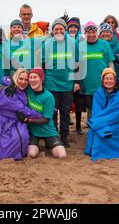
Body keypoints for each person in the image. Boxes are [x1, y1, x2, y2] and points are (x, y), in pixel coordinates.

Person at [0, 69, 44, 161]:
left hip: (15, 121)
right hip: (3, 123)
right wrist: (41, 115)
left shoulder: (19, 88)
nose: (23, 82)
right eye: (21, 79)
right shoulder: (8, 91)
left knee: (22, 137)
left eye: (26, 80)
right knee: (6, 151)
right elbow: (23, 109)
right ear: (15, 78)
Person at [42, 18, 79, 147]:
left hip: (67, 84)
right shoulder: (47, 44)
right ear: (52, 31)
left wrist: (77, 81)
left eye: (61, 29)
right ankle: (53, 137)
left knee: (65, 112)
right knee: (52, 112)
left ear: (65, 30)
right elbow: (41, 64)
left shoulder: (72, 43)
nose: (58, 31)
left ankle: (64, 137)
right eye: (56, 29)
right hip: (51, 83)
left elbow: (78, 63)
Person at [84, 68, 119, 161]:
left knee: (103, 133)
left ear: (115, 80)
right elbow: (96, 112)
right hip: (100, 122)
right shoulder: (98, 93)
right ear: (103, 80)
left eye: (111, 78)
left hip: (117, 124)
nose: (109, 81)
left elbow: (117, 114)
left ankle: (103, 152)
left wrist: (97, 122)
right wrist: (99, 123)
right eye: (106, 78)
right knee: (93, 132)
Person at [26, 68, 67, 159]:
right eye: (30, 77)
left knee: (62, 155)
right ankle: (40, 143)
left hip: (48, 131)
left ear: (41, 79)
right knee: (31, 154)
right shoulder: (28, 90)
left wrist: (28, 120)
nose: (32, 80)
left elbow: (46, 120)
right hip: (34, 132)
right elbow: (16, 78)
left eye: (35, 77)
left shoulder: (48, 96)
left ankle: (45, 142)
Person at [79, 21, 115, 120]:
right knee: (90, 109)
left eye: (93, 32)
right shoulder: (81, 45)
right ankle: (93, 129)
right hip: (87, 84)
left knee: (103, 108)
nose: (91, 35)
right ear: (85, 33)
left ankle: (102, 129)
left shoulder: (104, 44)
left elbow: (110, 63)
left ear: (97, 32)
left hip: (103, 84)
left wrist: (113, 79)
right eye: (88, 32)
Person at [67, 17, 86, 135]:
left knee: (79, 102)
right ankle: (67, 121)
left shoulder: (82, 40)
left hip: (79, 74)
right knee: (67, 101)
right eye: (71, 27)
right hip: (67, 75)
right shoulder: (63, 40)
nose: (73, 29)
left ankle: (78, 125)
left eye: (75, 27)